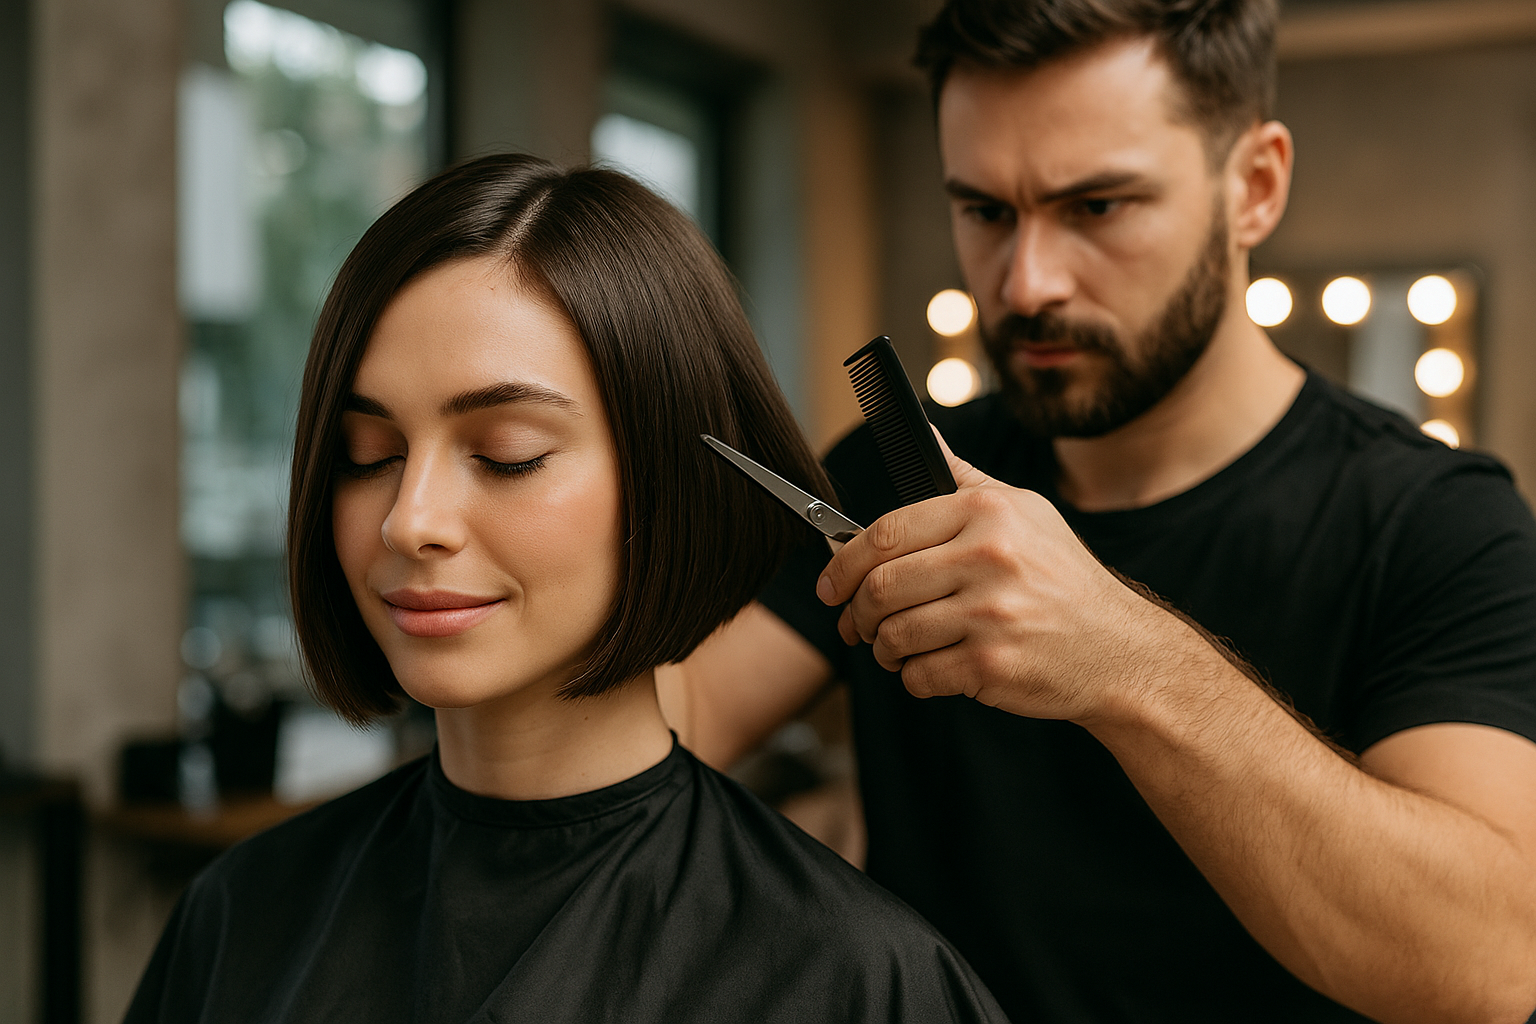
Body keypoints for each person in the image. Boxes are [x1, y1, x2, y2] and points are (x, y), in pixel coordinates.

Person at [660, 2, 1536, 1022]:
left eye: (1099, 207)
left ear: (1253, 186)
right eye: (985, 211)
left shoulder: (1438, 526)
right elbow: (672, 720)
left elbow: (1491, 962)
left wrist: (1124, 656)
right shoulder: (896, 474)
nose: (1027, 284)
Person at [123, 154, 1011, 1024]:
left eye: (507, 454)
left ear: (670, 483)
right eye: (372, 456)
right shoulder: (240, 913)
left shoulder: (855, 981)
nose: (409, 520)